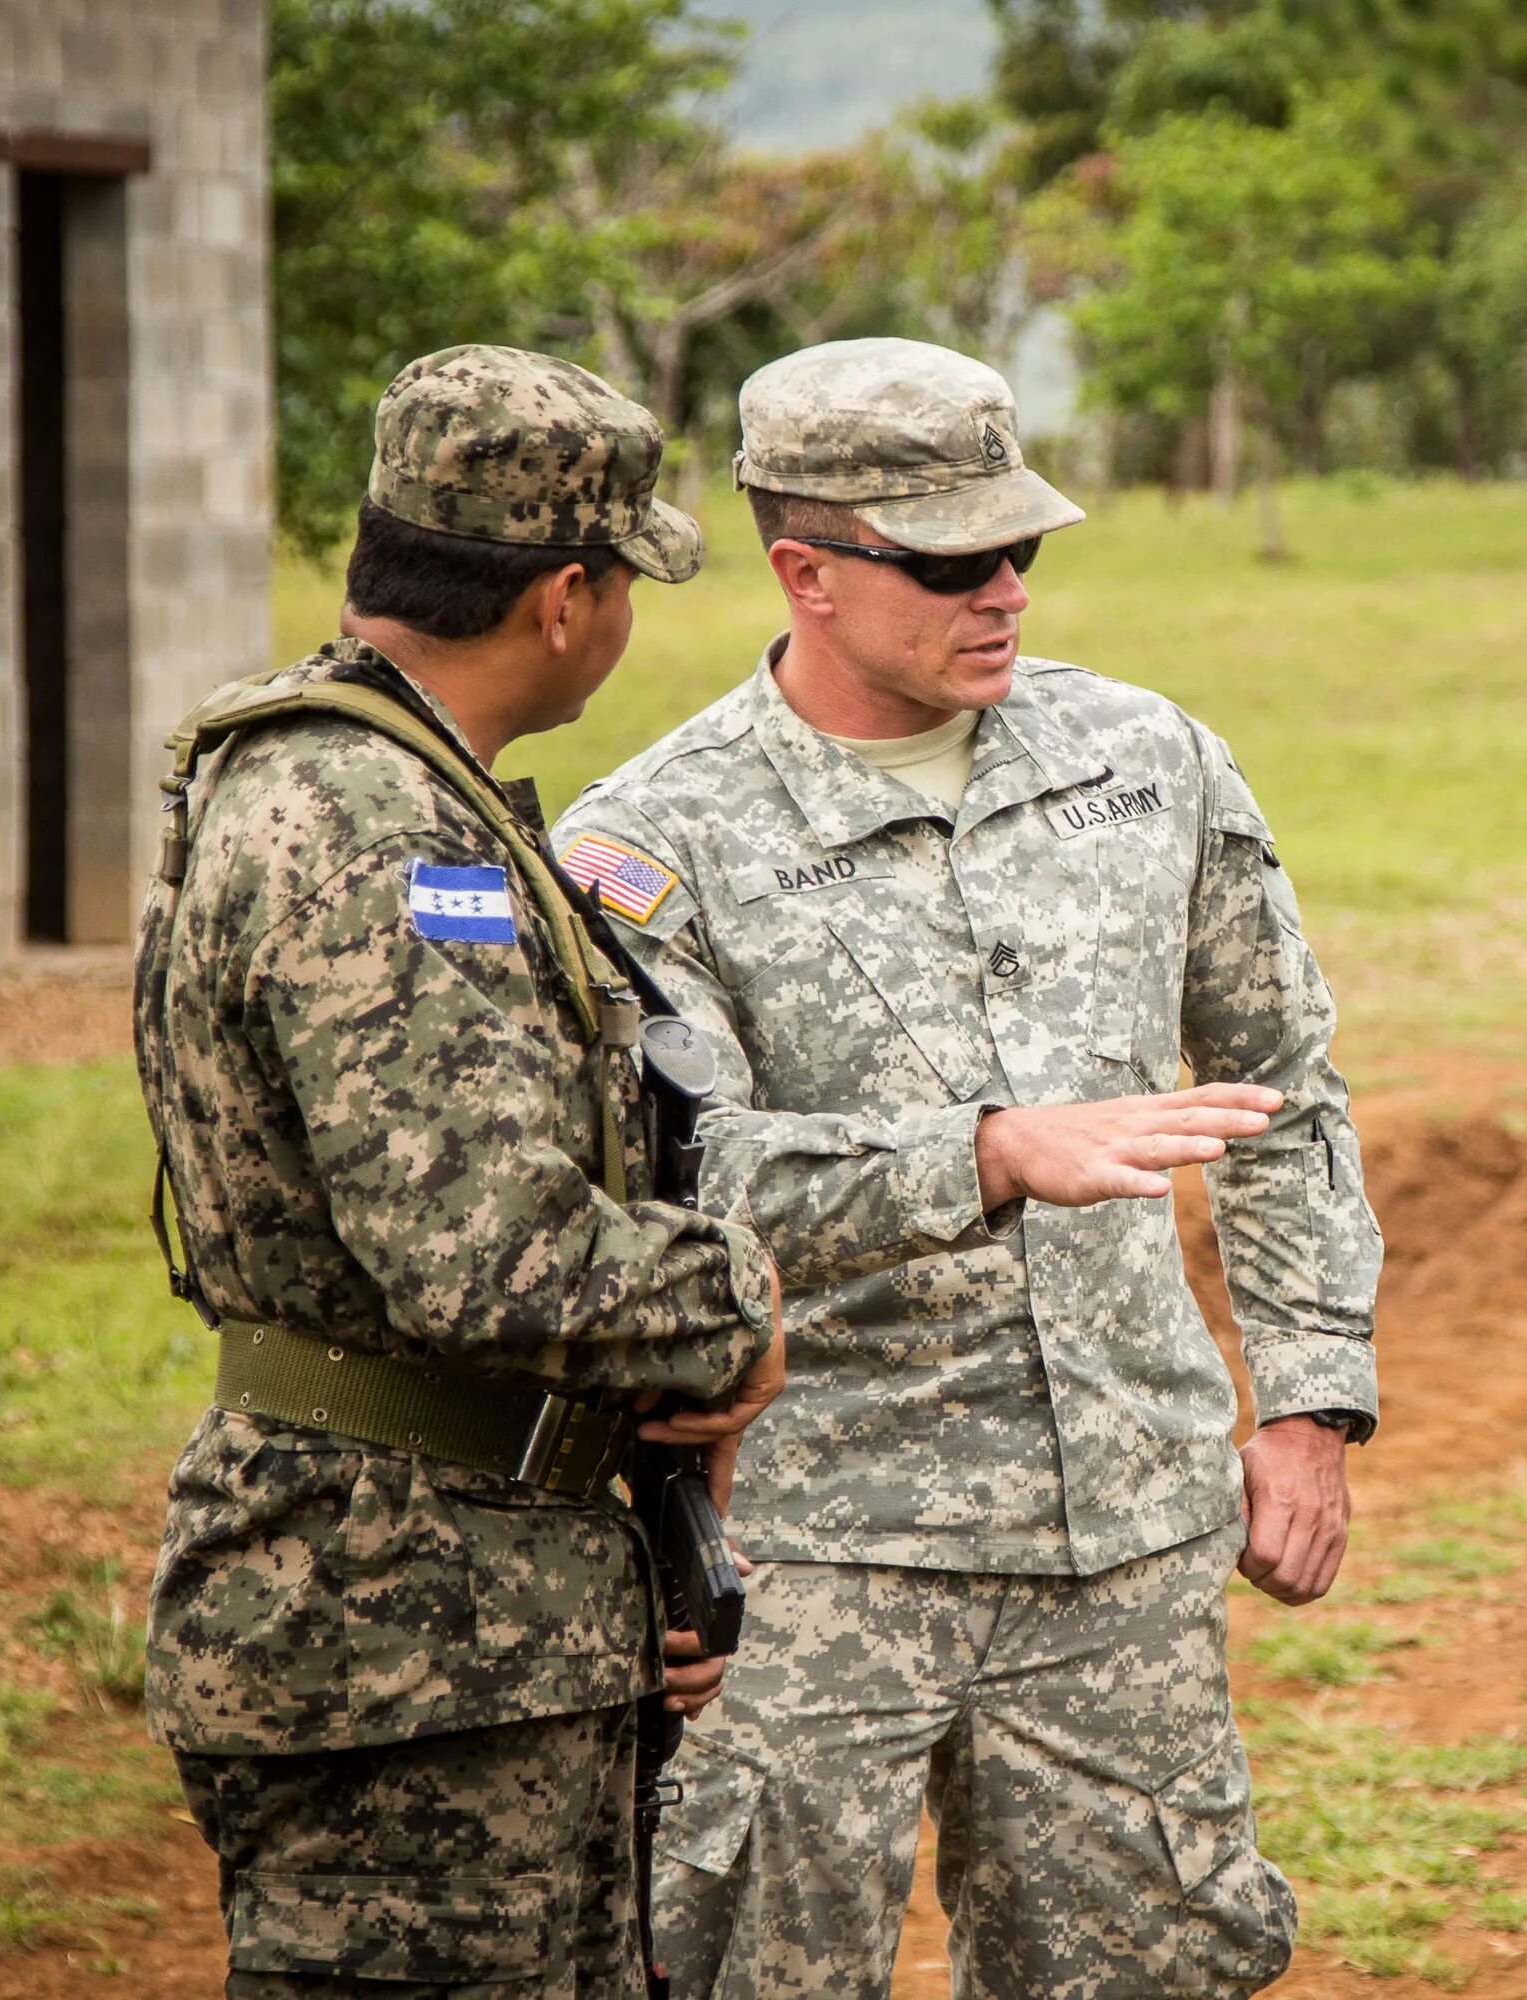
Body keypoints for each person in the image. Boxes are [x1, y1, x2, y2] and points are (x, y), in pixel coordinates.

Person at [550, 336, 1382, 1999]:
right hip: (812, 1551)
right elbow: (666, 1183)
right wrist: (983, 1157)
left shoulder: (1151, 761)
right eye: (949, 563)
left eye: (1024, 548)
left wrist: (1304, 1402)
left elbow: (1280, 1078)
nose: (1005, 589)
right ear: (810, 575)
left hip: (1125, 1535)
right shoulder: (651, 844)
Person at [138, 346, 790, 1996]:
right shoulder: (385, 832)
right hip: (407, 1645)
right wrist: (735, 1310)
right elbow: (482, 1254)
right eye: (623, 581)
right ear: (563, 598)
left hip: (454, 1617)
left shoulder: (328, 771)